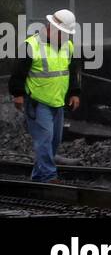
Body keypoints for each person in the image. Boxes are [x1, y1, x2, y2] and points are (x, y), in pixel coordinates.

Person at [8, 9, 80, 183]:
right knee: (44, 140)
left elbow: (70, 72)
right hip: (37, 102)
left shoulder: (67, 46)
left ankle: (39, 176)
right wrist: (18, 94)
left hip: (57, 101)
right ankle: (49, 176)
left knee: (54, 140)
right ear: (51, 28)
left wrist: (74, 93)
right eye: (64, 33)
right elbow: (18, 73)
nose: (66, 37)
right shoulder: (31, 45)